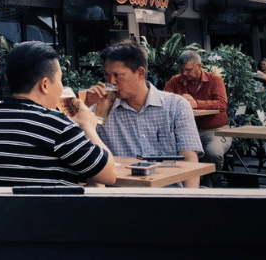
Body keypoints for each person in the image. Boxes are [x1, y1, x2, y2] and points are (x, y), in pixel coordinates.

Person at [0, 41, 116, 187]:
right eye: (60, 80)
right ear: (44, 85)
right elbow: (110, 174)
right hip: (47, 209)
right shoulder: (56, 124)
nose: (62, 87)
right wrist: (87, 126)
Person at [86, 41, 203, 187]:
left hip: (169, 196)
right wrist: (86, 111)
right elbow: (90, 162)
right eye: (107, 75)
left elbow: (189, 160)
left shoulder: (176, 106)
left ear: (140, 73)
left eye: (118, 75)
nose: (111, 82)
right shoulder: (100, 110)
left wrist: (189, 204)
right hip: (122, 199)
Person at [164, 50, 232, 174]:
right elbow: (164, 101)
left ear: (199, 66)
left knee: (213, 152)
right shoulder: (175, 81)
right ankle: (192, 181)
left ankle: (213, 182)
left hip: (215, 130)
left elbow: (222, 104)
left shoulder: (214, 80)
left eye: (188, 70)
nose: (184, 73)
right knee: (168, 153)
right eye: (182, 70)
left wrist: (197, 103)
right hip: (186, 131)